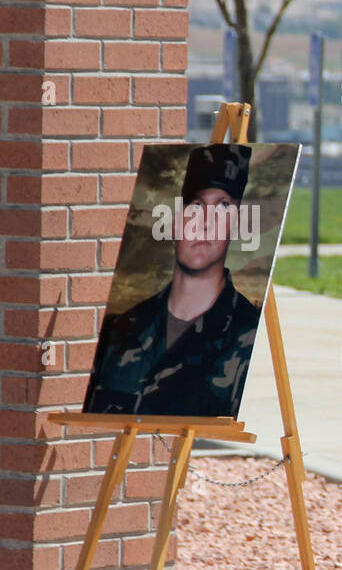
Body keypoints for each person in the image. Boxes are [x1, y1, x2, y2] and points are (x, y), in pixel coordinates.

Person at [84, 143, 261, 418]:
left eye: (223, 206)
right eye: (196, 205)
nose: (205, 221)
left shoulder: (247, 335)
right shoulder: (121, 330)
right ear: (177, 219)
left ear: (236, 223)